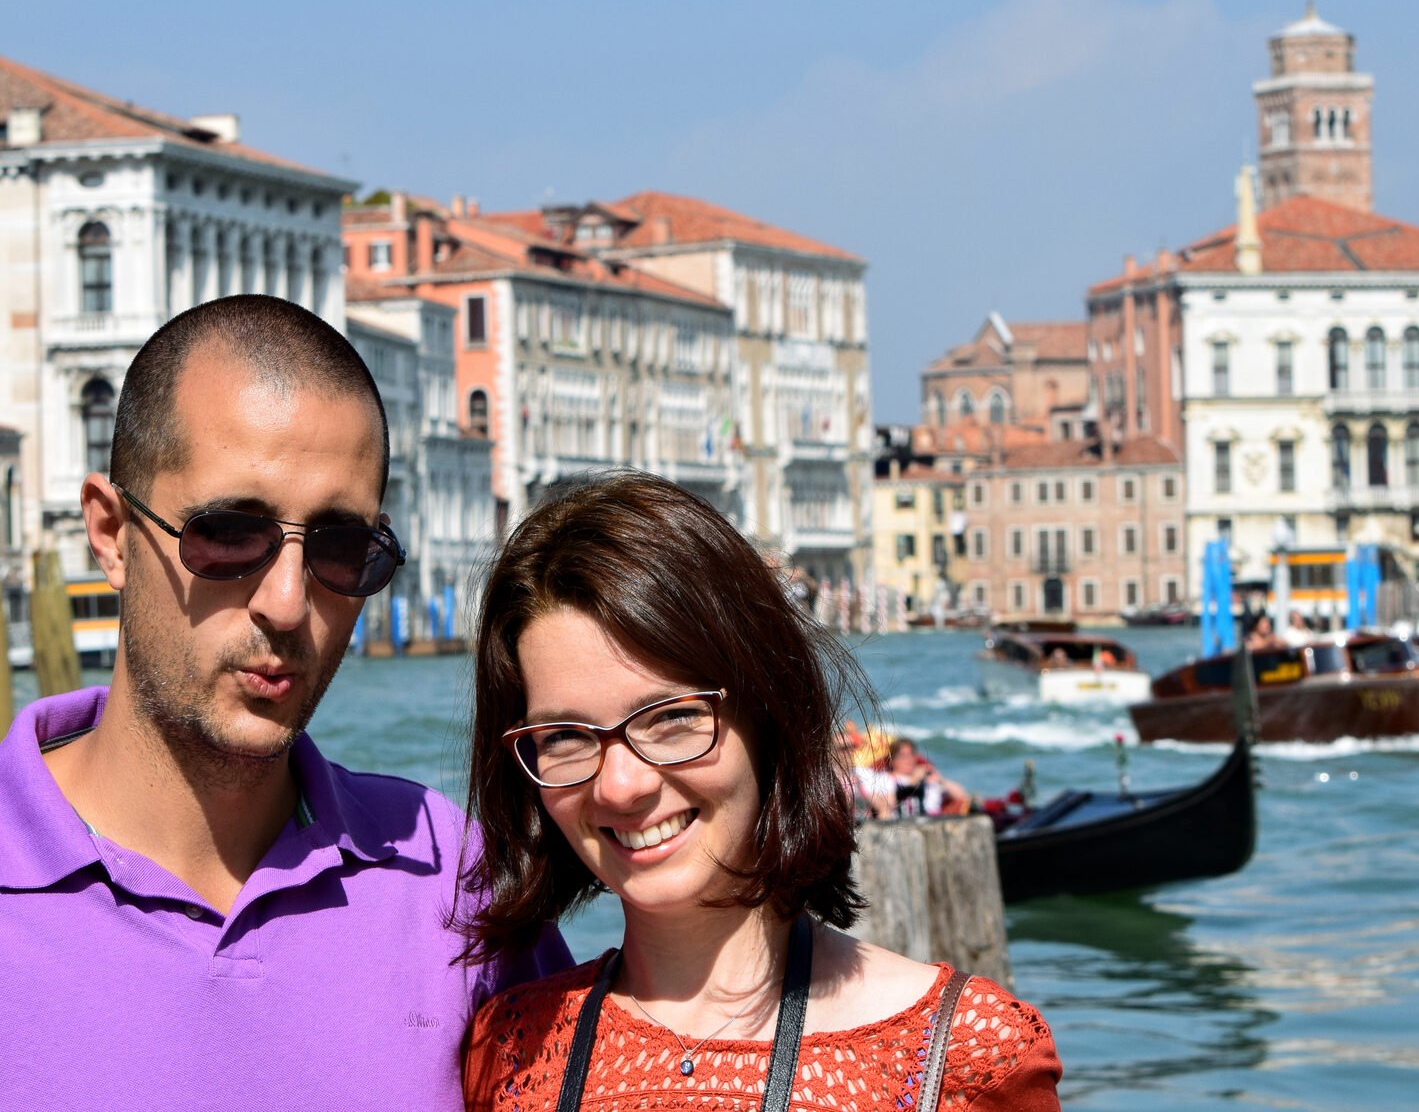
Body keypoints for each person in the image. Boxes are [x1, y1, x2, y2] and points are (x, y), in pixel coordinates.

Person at [0, 296, 570, 1110]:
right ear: (112, 532)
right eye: (231, 532)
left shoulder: (449, 879)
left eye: (342, 548)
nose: (289, 600)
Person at [459, 470, 1060, 1111]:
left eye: (671, 717)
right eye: (566, 736)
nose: (623, 786)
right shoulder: (508, 1051)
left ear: (769, 715)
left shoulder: (959, 1058)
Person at [885, 735, 972, 816]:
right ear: (892, 760)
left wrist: (941, 780)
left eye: (912, 754)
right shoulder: (886, 779)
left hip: (935, 819)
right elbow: (889, 805)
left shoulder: (927, 778)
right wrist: (914, 781)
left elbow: (962, 796)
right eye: (903, 755)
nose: (908, 759)